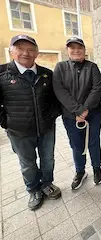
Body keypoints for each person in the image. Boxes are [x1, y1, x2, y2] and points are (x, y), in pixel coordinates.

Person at [0, 35, 62, 210]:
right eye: (20, 48)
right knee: (27, 163)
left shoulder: (47, 74)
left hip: (46, 128)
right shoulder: (3, 73)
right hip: (19, 132)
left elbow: (56, 99)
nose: (25, 53)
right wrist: (6, 122)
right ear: (12, 51)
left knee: (48, 159)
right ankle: (34, 189)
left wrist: (52, 116)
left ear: (36, 53)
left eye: (30, 49)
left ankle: (47, 184)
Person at [53, 37, 101, 190]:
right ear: (67, 50)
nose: (76, 50)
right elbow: (59, 91)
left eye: (79, 47)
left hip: (93, 113)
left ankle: (97, 168)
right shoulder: (60, 67)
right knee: (76, 145)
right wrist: (77, 110)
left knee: (93, 142)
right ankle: (80, 172)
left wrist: (85, 109)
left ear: (84, 50)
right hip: (70, 115)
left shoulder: (92, 67)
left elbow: (97, 89)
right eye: (72, 47)